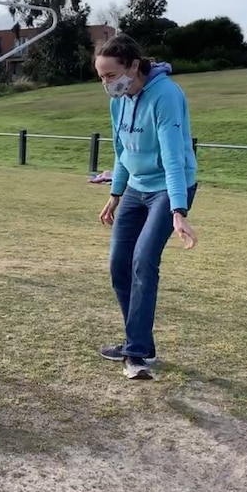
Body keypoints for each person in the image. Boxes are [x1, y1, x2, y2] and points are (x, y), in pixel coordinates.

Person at [93, 34, 199, 380]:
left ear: (134, 66)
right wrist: (115, 194)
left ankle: (136, 354)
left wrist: (178, 211)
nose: (107, 84)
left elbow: (173, 156)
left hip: (171, 188)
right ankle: (139, 342)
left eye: (111, 75)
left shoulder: (166, 96)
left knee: (143, 261)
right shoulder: (118, 101)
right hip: (136, 189)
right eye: (102, 77)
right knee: (118, 265)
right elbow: (123, 153)